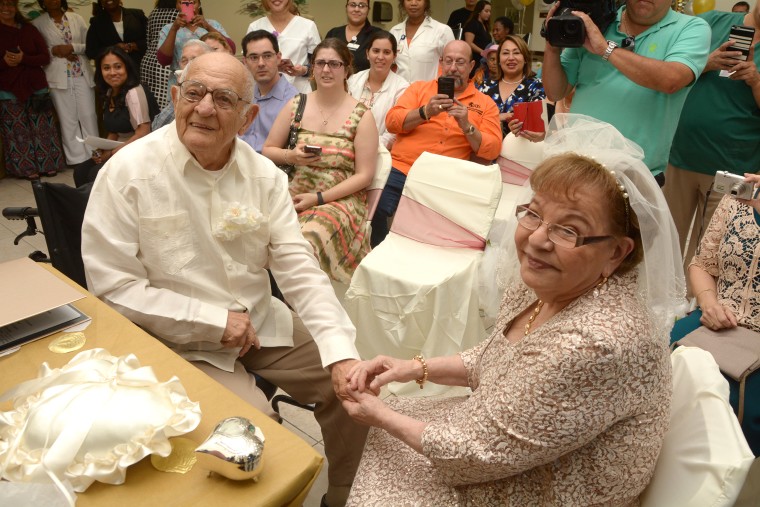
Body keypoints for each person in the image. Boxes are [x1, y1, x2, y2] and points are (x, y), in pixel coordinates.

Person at [342, 115, 684, 506]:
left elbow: (474, 455)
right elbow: (497, 357)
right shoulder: (552, 284)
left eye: (568, 230)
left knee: (385, 451)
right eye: (535, 213)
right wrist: (408, 367)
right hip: (517, 450)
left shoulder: (596, 344)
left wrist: (378, 413)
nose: (537, 239)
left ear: (617, 252)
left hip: (550, 486)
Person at [81, 51, 368, 507]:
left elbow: (298, 270)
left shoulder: (265, 177)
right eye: (193, 94)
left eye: (223, 99)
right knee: (254, 438)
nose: (204, 108)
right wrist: (213, 321)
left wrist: (340, 351)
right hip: (178, 338)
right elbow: (113, 288)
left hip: (261, 322)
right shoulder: (128, 173)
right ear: (175, 98)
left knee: (355, 389)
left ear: (248, 115)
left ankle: (341, 495)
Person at [541, 0, 710, 180]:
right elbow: (555, 92)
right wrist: (552, 47)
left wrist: (606, 50)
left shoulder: (690, 27)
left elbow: (672, 80)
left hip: (635, 177)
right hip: (576, 167)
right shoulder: (597, 21)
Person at [263, 39, 379, 284]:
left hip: (339, 200)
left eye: (334, 64)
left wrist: (318, 199)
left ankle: (303, 306)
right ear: (312, 68)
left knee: (306, 239)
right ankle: (270, 301)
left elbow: (364, 176)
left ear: (347, 69)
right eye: (321, 63)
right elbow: (268, 149)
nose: (326, 70)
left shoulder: (362, 115)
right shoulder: (297, 105)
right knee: (260, 233)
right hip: (293, 192)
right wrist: (291, 156)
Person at [370, 39, 502, 247]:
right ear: (440, 62)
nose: (452, 68)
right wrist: (425, 112)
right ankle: (381, 254)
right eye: (448, 61)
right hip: (403, 168)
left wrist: (466, 125)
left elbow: (492, 149)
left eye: (460, 62)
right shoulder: (418, 89)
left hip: (446, 177)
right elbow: (392, 121)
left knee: (438, 233)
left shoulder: (485, 104)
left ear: (471, 66)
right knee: (375, 209)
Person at [664, 2, 760, 279]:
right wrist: (707, 63)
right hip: (678, 154)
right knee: (665, 240)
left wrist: (755, 81)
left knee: (718, 251)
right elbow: (667, 72)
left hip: (738, 167)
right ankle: (657, 308)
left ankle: (701, 313)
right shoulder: (708, 23)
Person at [670, 175, 760, 456]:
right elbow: (701, 264)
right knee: (662, 361)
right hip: (713, 321)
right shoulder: (738, 196)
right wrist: (709, 303)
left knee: (740, 406)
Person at [0, 0, 64, 180]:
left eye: (10, 4)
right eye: (2, 5)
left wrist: (23, 58)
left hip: (36, 87)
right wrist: (5, 62)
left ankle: (48, 164)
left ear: (16, 7)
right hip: (8, 89)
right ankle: (26, 169)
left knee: (43, 128)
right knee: (17, 132)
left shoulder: (29, 29)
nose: (6, 9)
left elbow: (44, 57)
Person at [32, 0, 99, 170]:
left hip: (82, 73)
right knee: (67, 119)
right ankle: (76, 160)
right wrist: (54, 51)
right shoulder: (37, 24)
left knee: (89, 115)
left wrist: (71, 47)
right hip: (57, 78)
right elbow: (37, 52)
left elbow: (91, 45)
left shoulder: (76, 18)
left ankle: (96, 154)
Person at [75, 46, 153, 186]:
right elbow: (114, 131)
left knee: (96, 174)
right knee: (80, 171)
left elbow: (143, 132)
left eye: (118, 67)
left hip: (140, 150)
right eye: (106, 68)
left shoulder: (134, 92)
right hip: (121, 149)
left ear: (127, 68)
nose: (112, 73)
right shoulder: (110, 92)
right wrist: (103, 150)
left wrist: (111, 154)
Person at [157, 0, 233, 104]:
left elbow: (231, 49)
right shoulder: (168, 29)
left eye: (193, 2)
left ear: (199, 4)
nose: (188, 6)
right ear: (177, 5)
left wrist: (207, 26)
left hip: (210, 82)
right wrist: (174, 29)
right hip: (181, 85)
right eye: (182, 2)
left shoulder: (212, 24)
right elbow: (163, 60)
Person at [347, 30, 409, 149]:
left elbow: (394, 133)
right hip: (346, 147)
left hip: (380, 153)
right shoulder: (353, 81)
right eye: (376, 51)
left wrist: (364, 145)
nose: (380, 57)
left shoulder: (402, 88)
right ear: (367, 53)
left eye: (386, 52)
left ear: (394, 56)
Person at [239, 30, 297, 153]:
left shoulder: (294, 101)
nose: (261, 63)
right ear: (245, 62)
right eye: (254, 57)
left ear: (278, 58)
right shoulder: (242, 97)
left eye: (267, 56)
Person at [246, 0, 320, 94]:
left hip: (299, 94)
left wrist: (303, 70)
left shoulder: (308, 26)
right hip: (264, 93)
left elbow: (319, 64)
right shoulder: (255, 27)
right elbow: (248, 65)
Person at [480, 35, 545, 139]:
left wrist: (490, 118)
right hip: (485, 148)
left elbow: (536, 124)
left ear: (525, 59)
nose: (511, 58)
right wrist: (499, 117)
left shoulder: (536, 86)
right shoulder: (485, 86)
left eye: (516, 53)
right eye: (505, 53)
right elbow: (473, 118)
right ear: (499, 60)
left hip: (521, 150)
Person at [390, 0, 455, 83]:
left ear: (426, 2)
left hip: (428, 94)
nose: (413, 3)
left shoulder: (442, 31)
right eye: (409, 0)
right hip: (400, 94)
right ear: (403, 3)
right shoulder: (394, 31)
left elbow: (452, 66)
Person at [150, 38, 208, 130]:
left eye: (194, 59)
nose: (188, 65)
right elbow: (158, 127)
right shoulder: (181, 88)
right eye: (184, 61)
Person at [85, 0, 147, 73]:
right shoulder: (96, 22)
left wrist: (135, 45)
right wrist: (113, 49)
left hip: (141, 70)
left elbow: (153, 40)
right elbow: (90, 51)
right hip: (113, 73)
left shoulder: (137, 15)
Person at [141, 0, 177, 109]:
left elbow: (148, 38)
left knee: (149, 101)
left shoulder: (153, 13)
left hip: (148, 61)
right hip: (166, 64)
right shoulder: (178, 15)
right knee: (164, 104)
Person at [325, 1, 380, 73]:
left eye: (362, 6)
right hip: (335, 83)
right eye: (352, 5)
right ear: (346, 8)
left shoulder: (377, 35)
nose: (356, 9)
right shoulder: (333, 33)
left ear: (368, 10)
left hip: (365, 83)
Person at [463, 0, 492, 65]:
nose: (489, 14)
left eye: (490, 11)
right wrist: (483, 52)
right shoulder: (472, 24)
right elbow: (469, 43)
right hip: (475, 60)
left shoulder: (485, 25)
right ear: (479, 11)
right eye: (486, 11)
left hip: (483, 60)